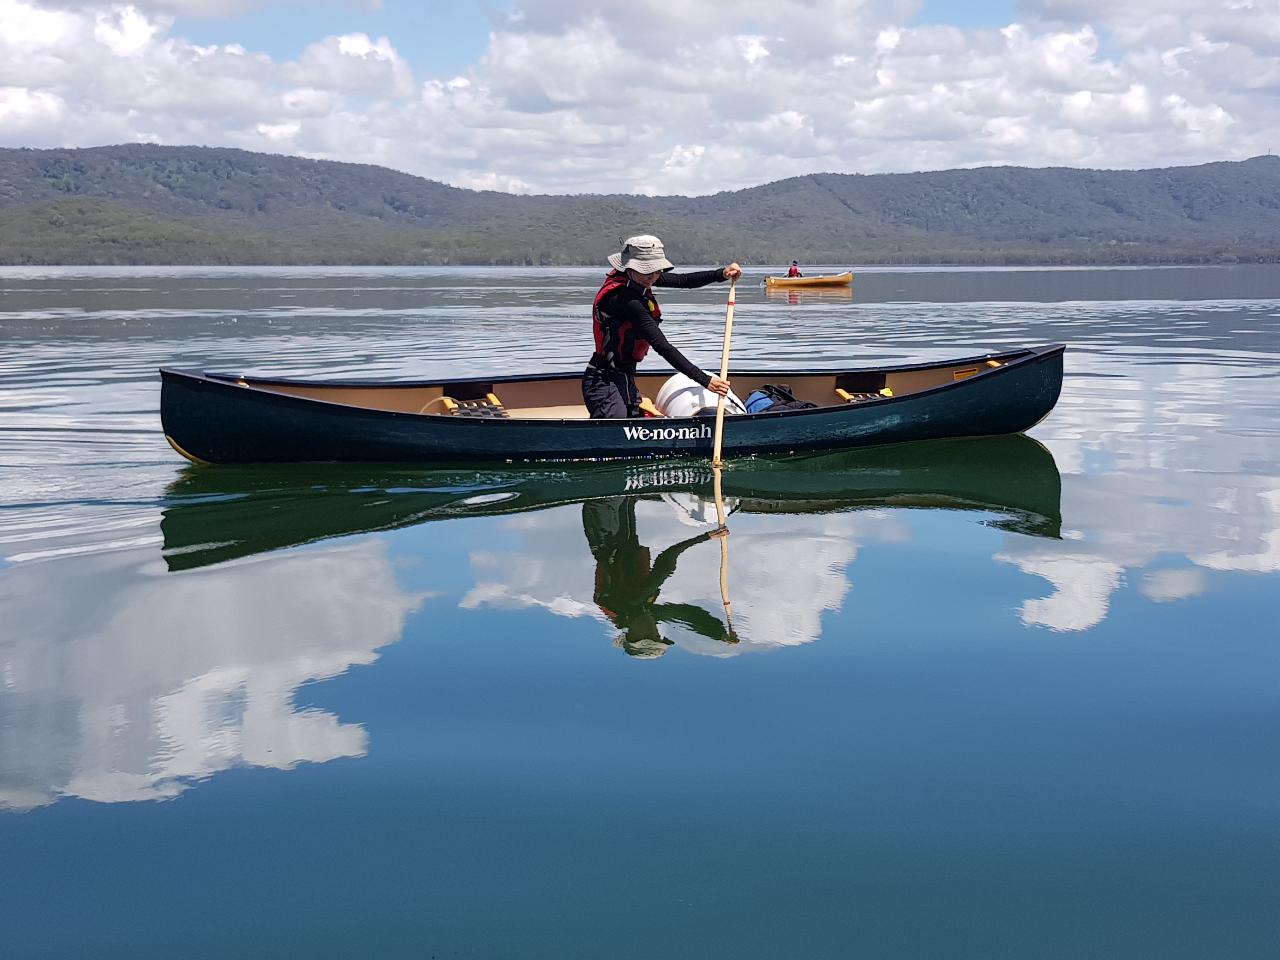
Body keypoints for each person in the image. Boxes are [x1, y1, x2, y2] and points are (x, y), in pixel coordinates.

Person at [585, 234, 742, 419]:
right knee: (617, 434)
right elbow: (662, 346)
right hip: (603, 381)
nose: (653, 278)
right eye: (647, 271)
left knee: (637, 422)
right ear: (628, 267)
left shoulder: (639, 277)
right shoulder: (625, 300)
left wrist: (721, 274)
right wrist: (705, 380)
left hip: (625, 379)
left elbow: (683, 281)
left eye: (657, 271)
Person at [583, 496, 738, 658]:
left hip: (606, 534)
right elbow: (688, 614)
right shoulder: (643, 611)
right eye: (657, 635)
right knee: (628, 496)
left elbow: (666, 562)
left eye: (651, 635)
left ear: (635, 634)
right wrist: (718, 634)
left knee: (608, 497)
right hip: (625, 541)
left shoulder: (627, 604)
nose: (655, 630)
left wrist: (706, 537)